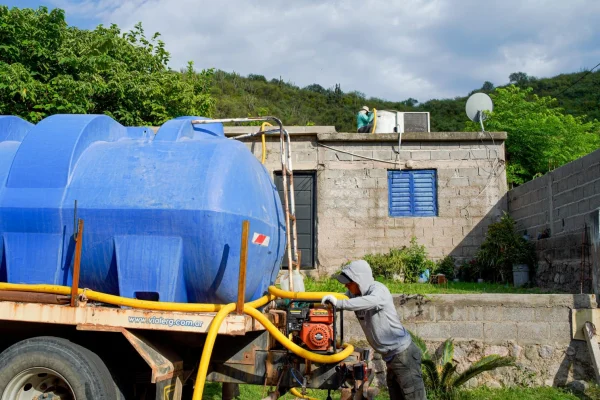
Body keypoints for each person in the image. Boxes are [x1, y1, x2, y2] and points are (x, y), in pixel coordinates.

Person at [321, 260, 427, 400]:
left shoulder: (378, 290)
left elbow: (369, 301)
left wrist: (339, 303)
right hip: (392, 358)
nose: (346, 285)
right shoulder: (355, 294)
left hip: (404, 356)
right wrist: (327, 303)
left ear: (359, 280)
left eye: (349, 282)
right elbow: (344, 300)